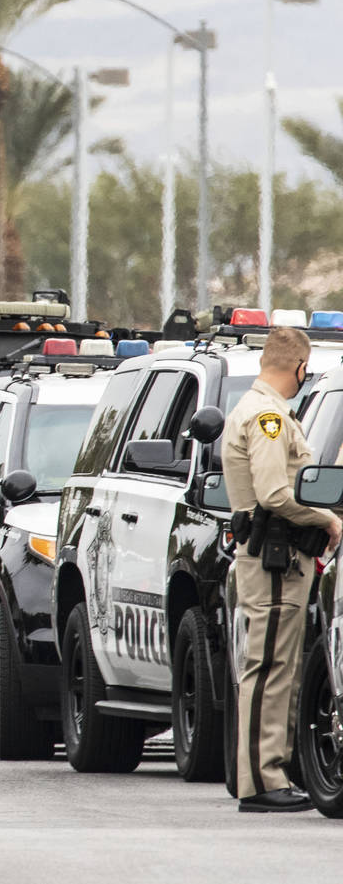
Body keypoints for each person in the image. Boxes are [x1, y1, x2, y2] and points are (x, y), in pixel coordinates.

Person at [222, 326, 342, 813]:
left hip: (279, 557)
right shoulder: (269, 417)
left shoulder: (259, 410)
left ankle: (270, 771)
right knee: (269, 666)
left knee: (277, 666)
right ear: (297, 367)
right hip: (275, 558)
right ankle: (260, 781)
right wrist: (328, 519)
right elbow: (275, 495)